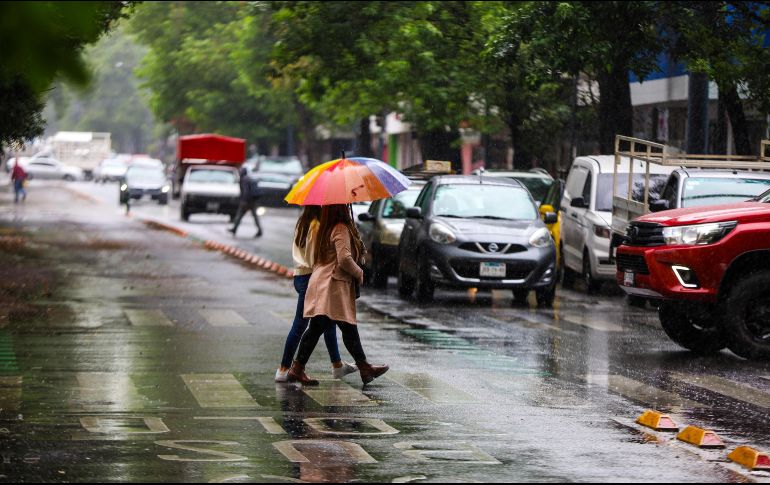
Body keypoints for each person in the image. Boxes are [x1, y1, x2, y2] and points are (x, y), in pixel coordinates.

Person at [288, 204, 389, 386]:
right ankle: (297, 368)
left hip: (325, 282)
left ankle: (364, 367)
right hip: (332, 285)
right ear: (341, 209)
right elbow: (344, 259)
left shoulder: (326, 226)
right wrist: (359, 272)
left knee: (343, 327)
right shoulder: (340, 228)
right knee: (322, 327)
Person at [275, 205, 357, 382]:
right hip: (311, 277)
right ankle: (284, 369)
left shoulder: (302, 222)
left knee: (327, 321)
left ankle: (337, 365)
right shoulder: (316, 226)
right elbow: (316, 258)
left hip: (299, 275)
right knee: (301, 325)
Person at [230, 166, 263, 237]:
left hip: (247, 201)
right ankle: (259, 230)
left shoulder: (244, 180)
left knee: (239, 215)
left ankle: (234, 229)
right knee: (254, 216)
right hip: (252, 201)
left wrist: (244, 201)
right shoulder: (248, 178)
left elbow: (246, 191)